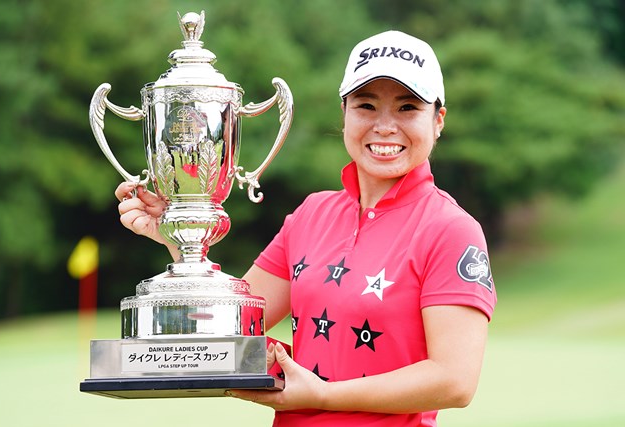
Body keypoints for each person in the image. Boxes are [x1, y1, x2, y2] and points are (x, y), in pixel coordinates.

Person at [116, 30, 496, 427]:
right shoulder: (312, 214)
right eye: (366, 105)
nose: (385, 126)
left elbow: (455, 381)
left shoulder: (451, 229)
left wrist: (324, 396)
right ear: (345, 113)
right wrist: (178, 239)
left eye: (407, 108)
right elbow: (226, 333)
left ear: (438, 121)